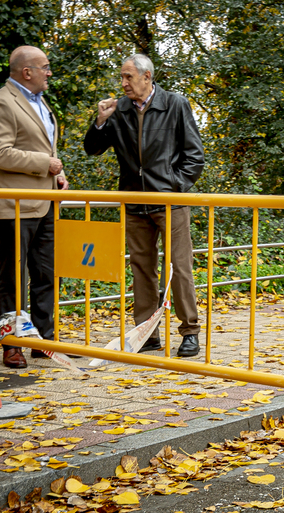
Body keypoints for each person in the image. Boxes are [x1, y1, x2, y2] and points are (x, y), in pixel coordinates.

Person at [84, 54, 204, 357]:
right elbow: (92, 148)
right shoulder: (119, 109)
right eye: (122, 77)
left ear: (147, 77)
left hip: (169, 202)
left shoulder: (175, 103)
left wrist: (173, 186)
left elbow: (194, 156)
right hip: (134, 201)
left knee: (178, 268)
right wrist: (100, 120)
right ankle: (146, 333)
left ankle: (189, 331)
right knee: (142, 269)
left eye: (128, 77)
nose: (123, 83)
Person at [0, 45, 69, 369]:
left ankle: (43, 340)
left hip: (44, 202)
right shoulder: (1, 102)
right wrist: (45, 164)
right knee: (12, 278)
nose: (49, 72)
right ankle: (12, 343)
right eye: (45, 67)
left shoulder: (39, 102)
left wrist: (58, 174)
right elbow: (0, 154)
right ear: (26, 72)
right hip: (12, 205)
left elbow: (45, 149)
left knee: (46, 273)